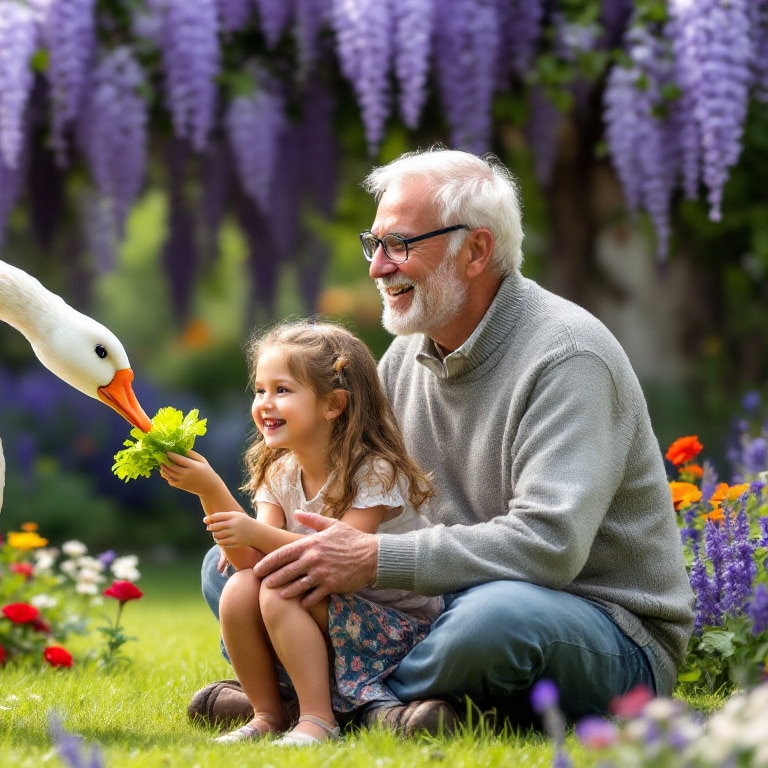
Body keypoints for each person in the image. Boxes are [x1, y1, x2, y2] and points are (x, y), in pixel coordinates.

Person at [189, 148, 695, 735]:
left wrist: (376, 560)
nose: (378, 267)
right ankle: (392, 707)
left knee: (494, 621)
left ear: (476, 249)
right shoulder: (409, 353)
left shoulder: (568, 356)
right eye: (373, 244)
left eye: (400, 244)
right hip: (435, 607)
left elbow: (550, 545)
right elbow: (348, 484)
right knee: (232, 568)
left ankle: (315, 704)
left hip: (595, 623)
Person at [161, 320, 442, 745]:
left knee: (279, 590)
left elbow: (342, 557)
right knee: (241, 587)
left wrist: (251, 529)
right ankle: (267, 714)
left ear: (333, 404)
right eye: (259, 390)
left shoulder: (374, 472)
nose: (265, 403)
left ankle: (317, 719)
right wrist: (210, 490)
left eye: (282, 390)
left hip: (396, 630)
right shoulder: (279, 472)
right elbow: (249, 563)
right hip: (324, 609)